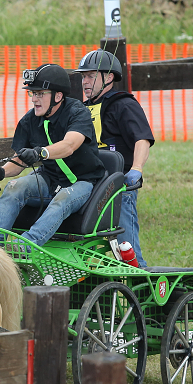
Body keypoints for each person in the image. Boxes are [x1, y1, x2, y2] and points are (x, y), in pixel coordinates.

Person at [0, 63, 106, 247]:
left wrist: (41, 152)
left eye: (40, 93)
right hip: (49, 178)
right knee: (13, 187)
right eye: (32, 93)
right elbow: (19, 159)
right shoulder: (30, 120)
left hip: (82, 181)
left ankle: (25, 246)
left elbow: (69, 146)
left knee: (62, 199)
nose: (34, 99)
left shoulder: (77, 112)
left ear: (58, 96)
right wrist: (1, 172)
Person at [75, 49, 155, 267]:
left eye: (91, 76)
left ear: (108, 77)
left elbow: (142, 139)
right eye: (83, 76)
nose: (85, 82)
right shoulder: (82, 108)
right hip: (87, 182)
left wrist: (136, 168)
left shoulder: (124, 105)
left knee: (126, 246)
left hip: (118, 187)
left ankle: (140, 284)